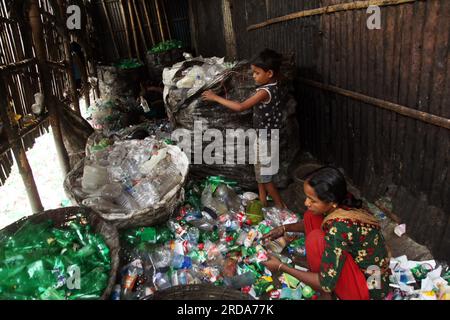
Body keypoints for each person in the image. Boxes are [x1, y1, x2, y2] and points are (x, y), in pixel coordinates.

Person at [262, 166, 390, 300]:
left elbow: (325, 284)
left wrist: (281, 266)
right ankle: (320, 273)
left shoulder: (339, 227)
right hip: (363, 269)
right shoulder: (342, 203)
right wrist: (283, 228)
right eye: (307, 197)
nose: (306, 202)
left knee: (315, 239)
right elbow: (309, 223)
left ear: (332, 202)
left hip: (369, 289)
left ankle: (327, 295)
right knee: (311, 216)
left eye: (313, 200)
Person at [202, 49, 286, 208]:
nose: (253, 76)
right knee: (260, 174)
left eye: (256, 73)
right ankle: (262, 202)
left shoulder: (264, 91)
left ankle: (282, 207)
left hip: (266, 140)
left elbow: (240, 107)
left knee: (266, 179)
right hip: (264, 136)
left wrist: (215, 97)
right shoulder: (274, 84)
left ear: (269, 73)